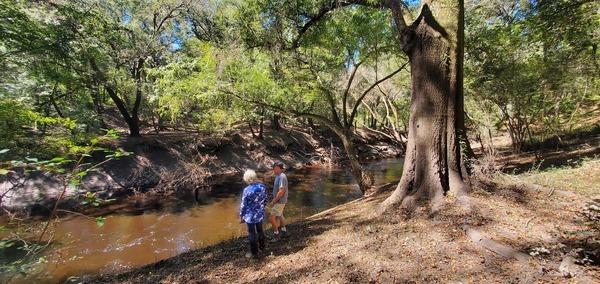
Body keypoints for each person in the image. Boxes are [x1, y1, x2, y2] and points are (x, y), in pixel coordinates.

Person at [239, 169, 268, 258]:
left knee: (252, 233)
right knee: (260, 230)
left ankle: (254, 252)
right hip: (259, 213)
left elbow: (244, 205)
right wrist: (261, 208)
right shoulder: (262, 187)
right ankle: (262, 247)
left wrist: (241, 215)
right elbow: (266, 199)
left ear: (247, 179)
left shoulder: (247, 190)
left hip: (250, 216)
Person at [268, 161, 288, 243]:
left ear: (278, 168)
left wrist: (274, 201)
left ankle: (276, 235)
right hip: (279, 200)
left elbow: (281, 191)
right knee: (280, 216)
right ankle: (284, 232)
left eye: (274, 167)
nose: (273, 169)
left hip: (279, 201)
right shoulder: (278, 176)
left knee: (271, 218)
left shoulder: (282, 177)